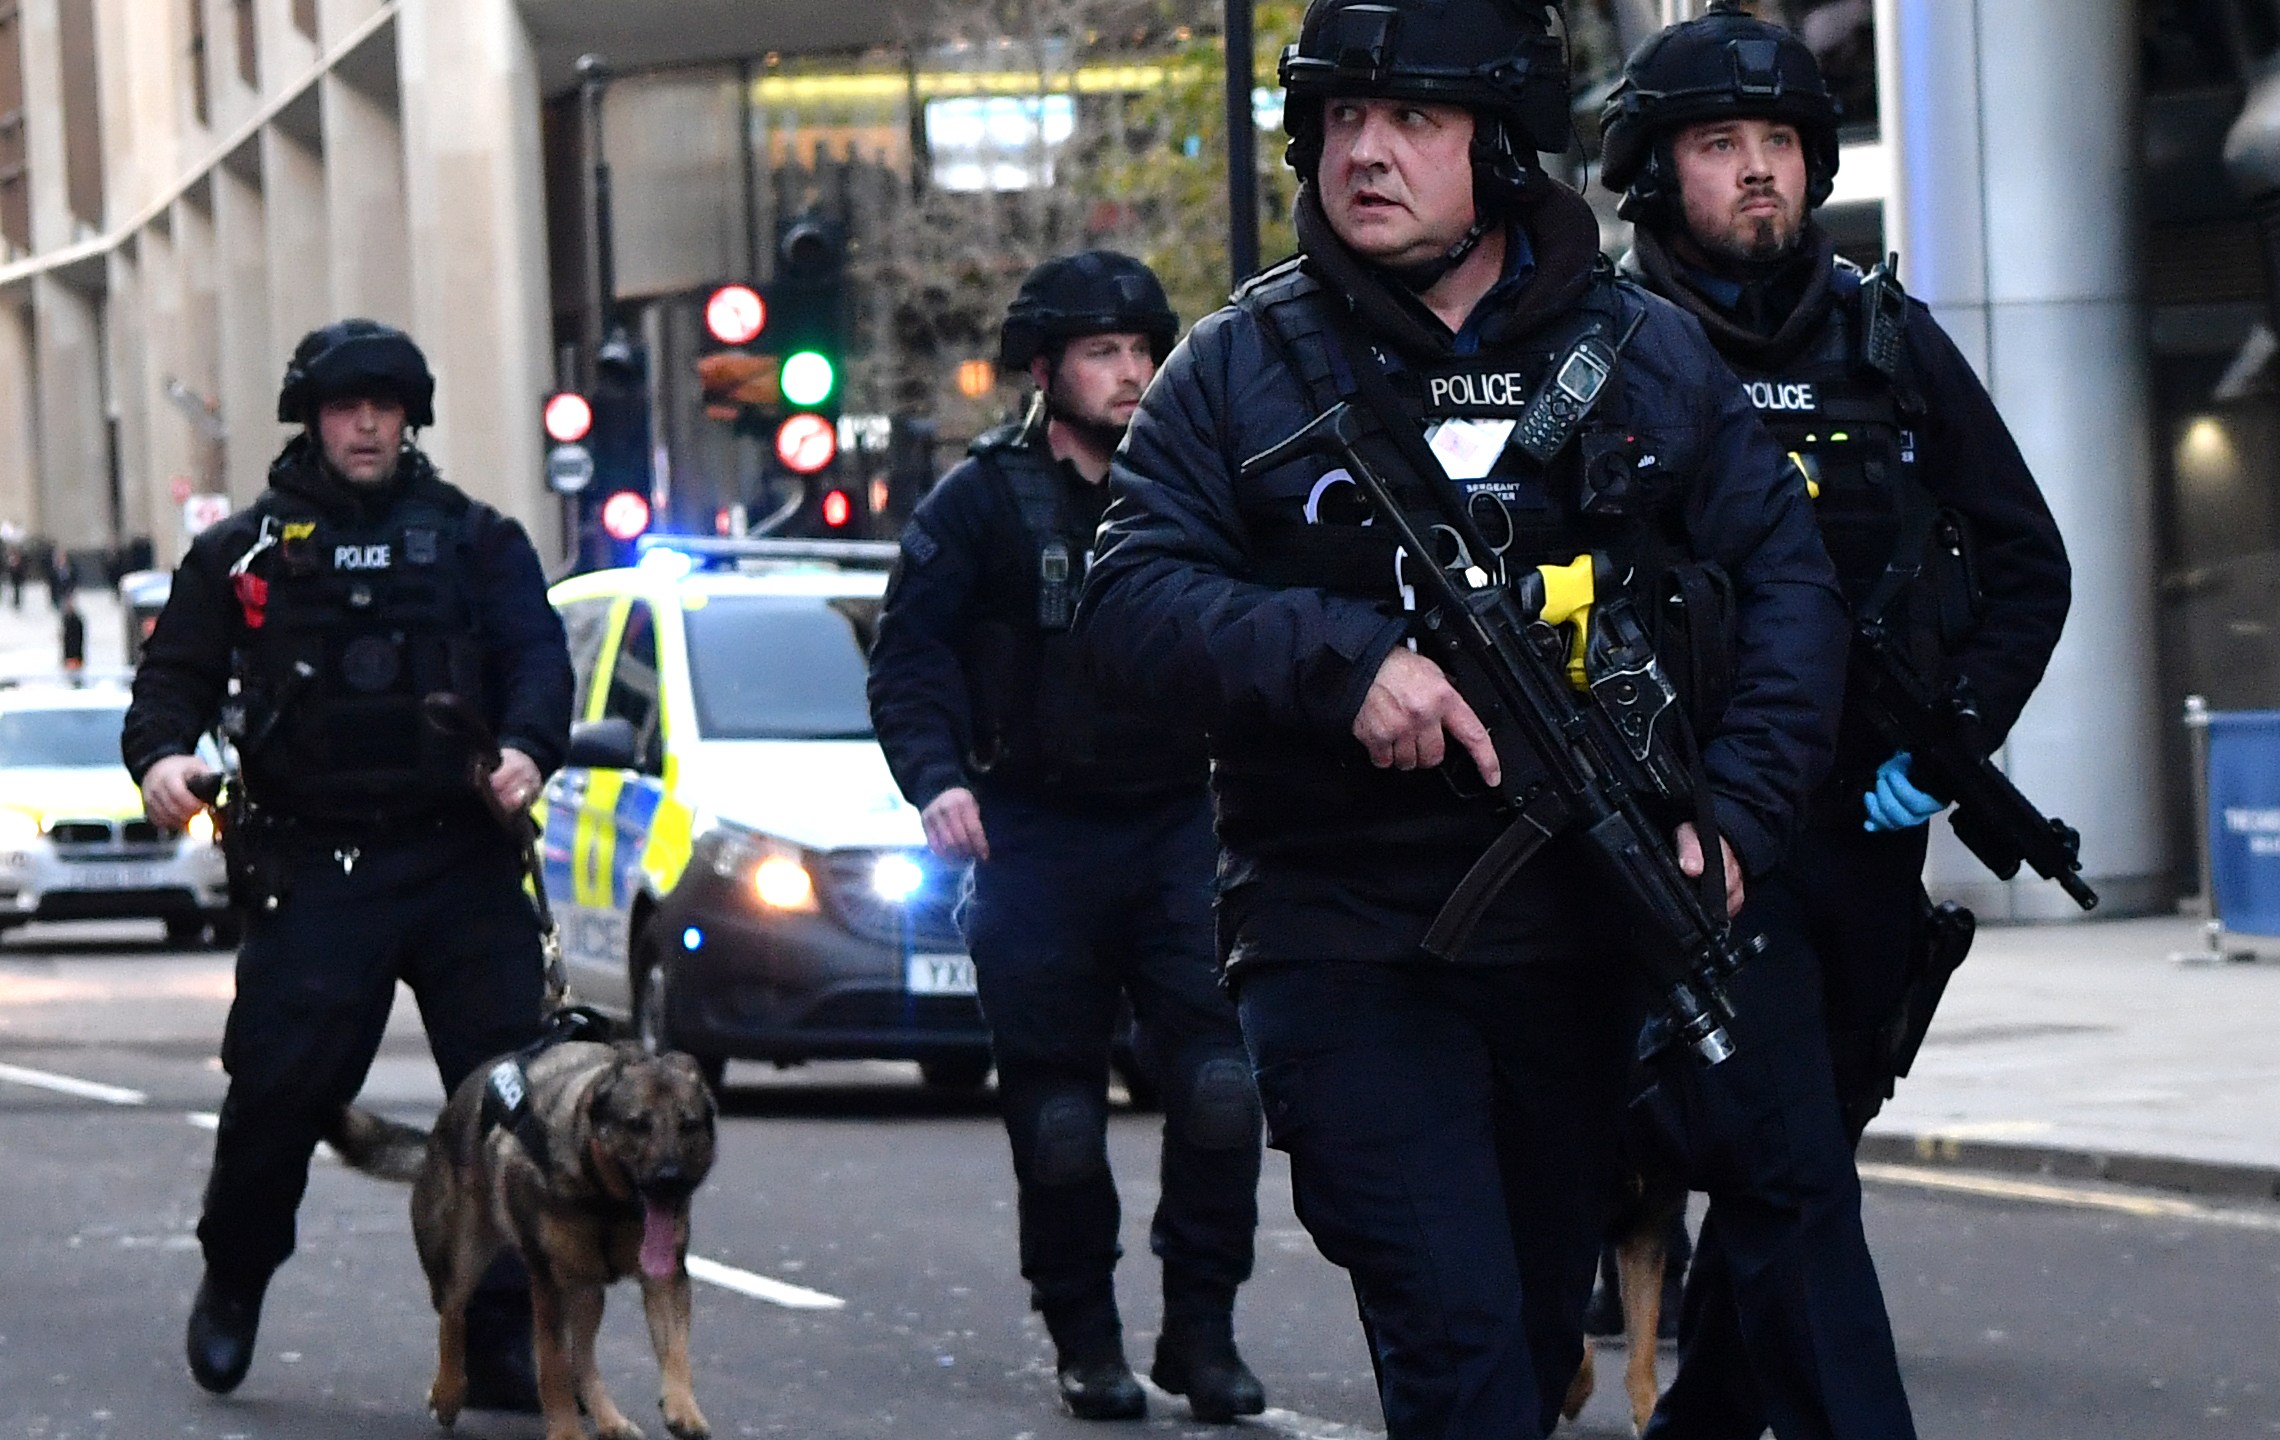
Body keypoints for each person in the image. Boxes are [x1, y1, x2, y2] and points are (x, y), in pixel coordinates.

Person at [1073, 1, 1850, 1435]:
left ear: (1496, 148)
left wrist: (1738, 815)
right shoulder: (1235, 372)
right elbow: (1129, 605)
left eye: (1411, 121)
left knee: (1537, 1324)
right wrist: (1341, 663)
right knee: (1459, 1348)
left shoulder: (1645, 355)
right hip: (1344, 940)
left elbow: (1789, 590)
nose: (1365, 154)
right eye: (1341, 123)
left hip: (1582, 946)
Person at [1598, 6, 2071, 1437]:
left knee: (1787, 1176)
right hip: (1698, 846)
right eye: (1721, 144)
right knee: (1790, 1170)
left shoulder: (1888, 337)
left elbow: (2026, 563)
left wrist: (1951, 741)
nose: (1759, 171)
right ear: (1655, 169)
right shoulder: (1596, 347)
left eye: (1783, 145)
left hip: (1864, 845)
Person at [120, 318, 574, 1408]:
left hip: (461, 862)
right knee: (278, 1095)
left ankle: (504, 1332)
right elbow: (171, 684)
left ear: (410, 418)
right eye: (344, 407)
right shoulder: (243, 553)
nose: (366, 425)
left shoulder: (477, 540)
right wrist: (165, 761)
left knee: (508, 1107)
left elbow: (538, 663)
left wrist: (525, 752)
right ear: (313, 419)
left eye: (384, 407)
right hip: (316, 868)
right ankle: (235, 1277)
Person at [867, 252, 1268, 1424]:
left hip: (1181, 826)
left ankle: (1204, 1328)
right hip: (1033, 837)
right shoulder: (980, 502)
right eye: (1105, 353)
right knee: (1055, 1113)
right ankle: (1085, 1336)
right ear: (1046, 371)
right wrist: (937, 783)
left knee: (1218, 1086)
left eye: (1146, 351)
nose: (1133, 372)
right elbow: (910, 659)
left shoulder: (1200, 489)